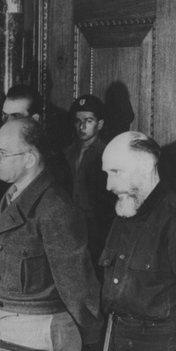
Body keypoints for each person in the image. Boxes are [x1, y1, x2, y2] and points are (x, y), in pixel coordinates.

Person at [0, 117, 103, 351]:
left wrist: (90, 336)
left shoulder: (54, 206)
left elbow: (76, 283)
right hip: (9, 322)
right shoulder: (13, 195)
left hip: (40, 330)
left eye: (1, 153)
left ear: (29, 159)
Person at [100, 131, 176, 351]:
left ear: (145, 165)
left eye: (116, 172)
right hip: (119, 345)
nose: (108, 185)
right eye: (107, 174)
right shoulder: (124, 210)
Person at [64, 95, 114, 279]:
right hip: (69, 229)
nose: (82, 126)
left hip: (98, 232)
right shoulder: (66, 154)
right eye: (77, 121)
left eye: (88, 121)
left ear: (99, 124)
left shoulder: (109, 153)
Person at [2, 85, 72, 193]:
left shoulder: (53, 162)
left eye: (15, 116)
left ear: (34, 119)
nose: (7, 123)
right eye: (4, 115)